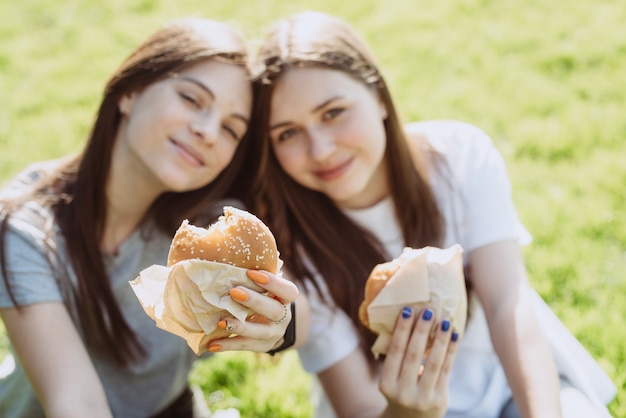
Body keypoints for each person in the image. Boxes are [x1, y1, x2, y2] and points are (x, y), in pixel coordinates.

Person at [247, 10, 616, 418]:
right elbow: (360, 407)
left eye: (333, 112)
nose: (321, 150)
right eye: (288, 133)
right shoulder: (292, 246)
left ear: (379, 97)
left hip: (514, 385)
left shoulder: (459, 158)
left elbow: (506, 303)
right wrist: (409, 412)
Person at [0, 17, 298, 418]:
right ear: (131, 91)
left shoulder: (210, 226)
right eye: (192, 99)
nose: (209, 131)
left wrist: (281, 323)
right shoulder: (25, 227)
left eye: (231, 128)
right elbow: (76, 402)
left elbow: (298, 310)